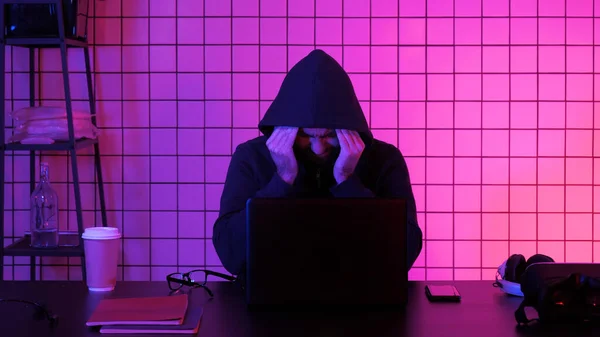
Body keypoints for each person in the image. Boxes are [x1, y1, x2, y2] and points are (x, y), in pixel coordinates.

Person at [212, 49, 423, 277]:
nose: (318, 147)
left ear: (349, 129)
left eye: (329, 135)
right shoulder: (251, 157)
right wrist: (282, 180)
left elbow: (405, 254)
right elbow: (231, 254)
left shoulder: (385, 159)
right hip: (268, 305)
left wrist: (347, 181)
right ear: (285, 130)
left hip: (366, 303)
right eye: (305, 135)